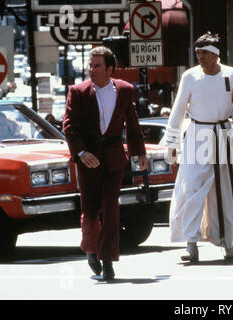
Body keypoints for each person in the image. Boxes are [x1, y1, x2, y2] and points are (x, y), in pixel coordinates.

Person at [63, 46, 149, 280]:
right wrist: (80, 152)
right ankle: (91, 251)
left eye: (97, 65)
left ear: (110, 69)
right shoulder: (78, 92)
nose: (92, 70)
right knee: (90, 209)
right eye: (90, 65)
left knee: (111, 209)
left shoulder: (124, 91)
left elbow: (132, 123)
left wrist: (139, 153)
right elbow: (69, 126)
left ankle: (109, 260)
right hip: (88, 158)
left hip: (113, 157)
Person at [164, 32, 233, 262]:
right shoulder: (190, 77)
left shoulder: (232, 75)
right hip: (196, 135)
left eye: (204, 53)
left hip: (222, 133)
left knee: (225, 190)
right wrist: (172, 142)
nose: (200, 56)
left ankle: (227, 242)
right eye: (198, 52)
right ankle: (191, 243)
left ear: (215, 54)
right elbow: (179, 109)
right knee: (191, 187)